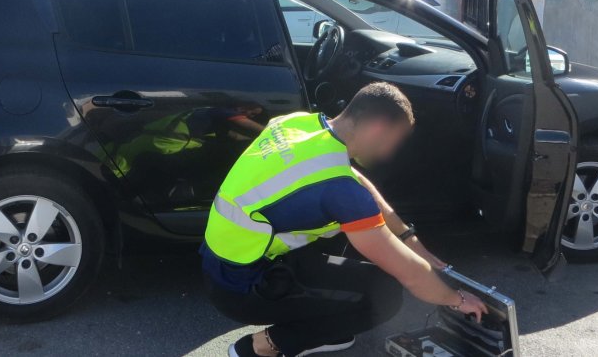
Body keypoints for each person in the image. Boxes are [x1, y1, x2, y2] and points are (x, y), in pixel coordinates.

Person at [202, 82, 487, 357]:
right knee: (386, 293)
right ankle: (263, 346)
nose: (391, 152)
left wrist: (408, 238)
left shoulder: (298, 123)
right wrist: (457, 299)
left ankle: (322, 327)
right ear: (379, 128)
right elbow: (410, 274)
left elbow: (355, 178)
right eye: (395, 141)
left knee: (354, 237)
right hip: (243, 287)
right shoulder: (339, 191)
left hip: (222, 263)